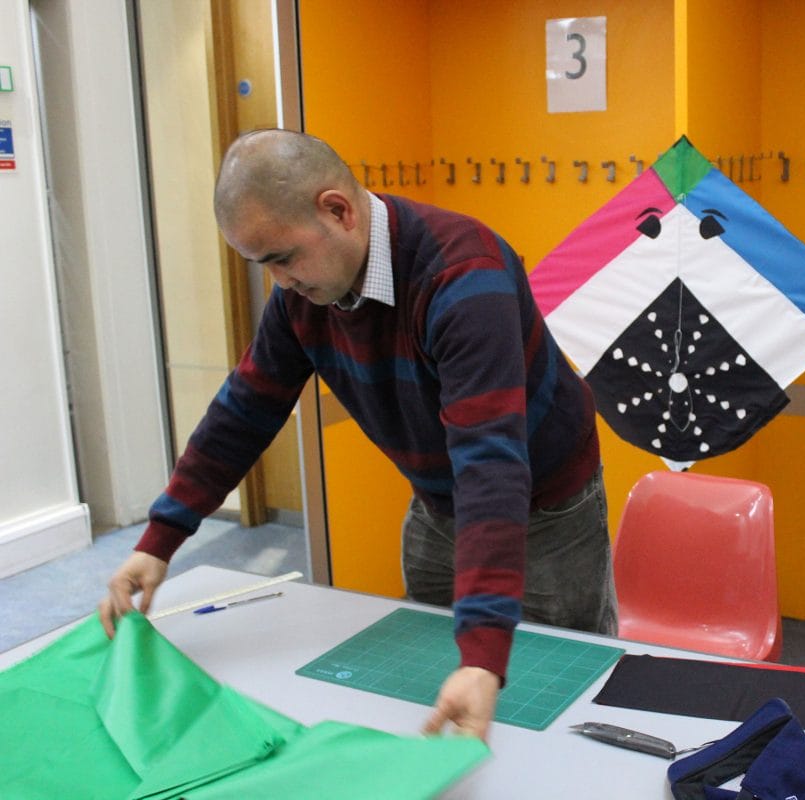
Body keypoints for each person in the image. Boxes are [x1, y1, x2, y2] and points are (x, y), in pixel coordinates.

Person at [99, 129, 617, 741]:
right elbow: (244, 411)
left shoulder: (461, 274)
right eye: (262, 266)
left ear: (337, 210)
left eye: (283, 259)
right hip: (437, 502)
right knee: (434, 681)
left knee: (555, 694)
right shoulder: (303, 296)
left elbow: (491, 463)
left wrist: (481, 655)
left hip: (545, 504)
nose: (281, 283)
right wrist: (160, 538)